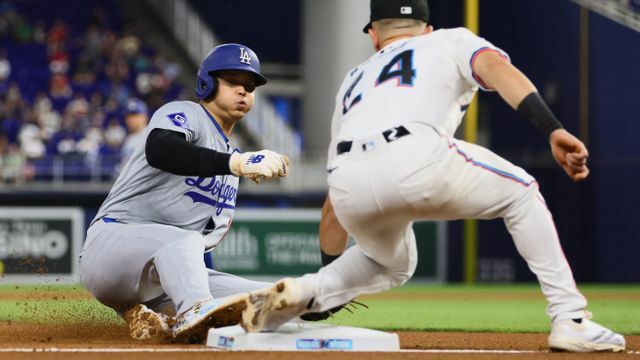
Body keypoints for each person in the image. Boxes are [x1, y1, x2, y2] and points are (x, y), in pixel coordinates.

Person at [235, 0, 626, 353]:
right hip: (415, 153)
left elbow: (331, 212)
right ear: (426, 27)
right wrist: (551, 127)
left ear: (374, 35)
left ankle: (308, 291)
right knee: (521, 191)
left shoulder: (353, 80)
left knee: (391, 263)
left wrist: (328, 275)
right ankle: (570, 317)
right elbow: (496, 69)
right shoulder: (449, 40)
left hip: (348, 180)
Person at [79, 43, 289, 343]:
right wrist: (235, 163)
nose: (243, 91)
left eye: (250, 85)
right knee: (183, 242)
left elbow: (199, 247)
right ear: (207, 84)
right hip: (111, 247)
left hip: (156, 281)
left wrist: (307, 300)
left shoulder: (232, 167)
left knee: (265, 295)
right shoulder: (186, 113)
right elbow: (161, 149)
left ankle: (160, 316)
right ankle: (194, 311)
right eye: (232, 82)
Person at [120, 98, 149, 165]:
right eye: (128, 117)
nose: (130, 120)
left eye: (134, 116)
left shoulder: (150, 136)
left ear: (144, 116)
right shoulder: (128, 138)